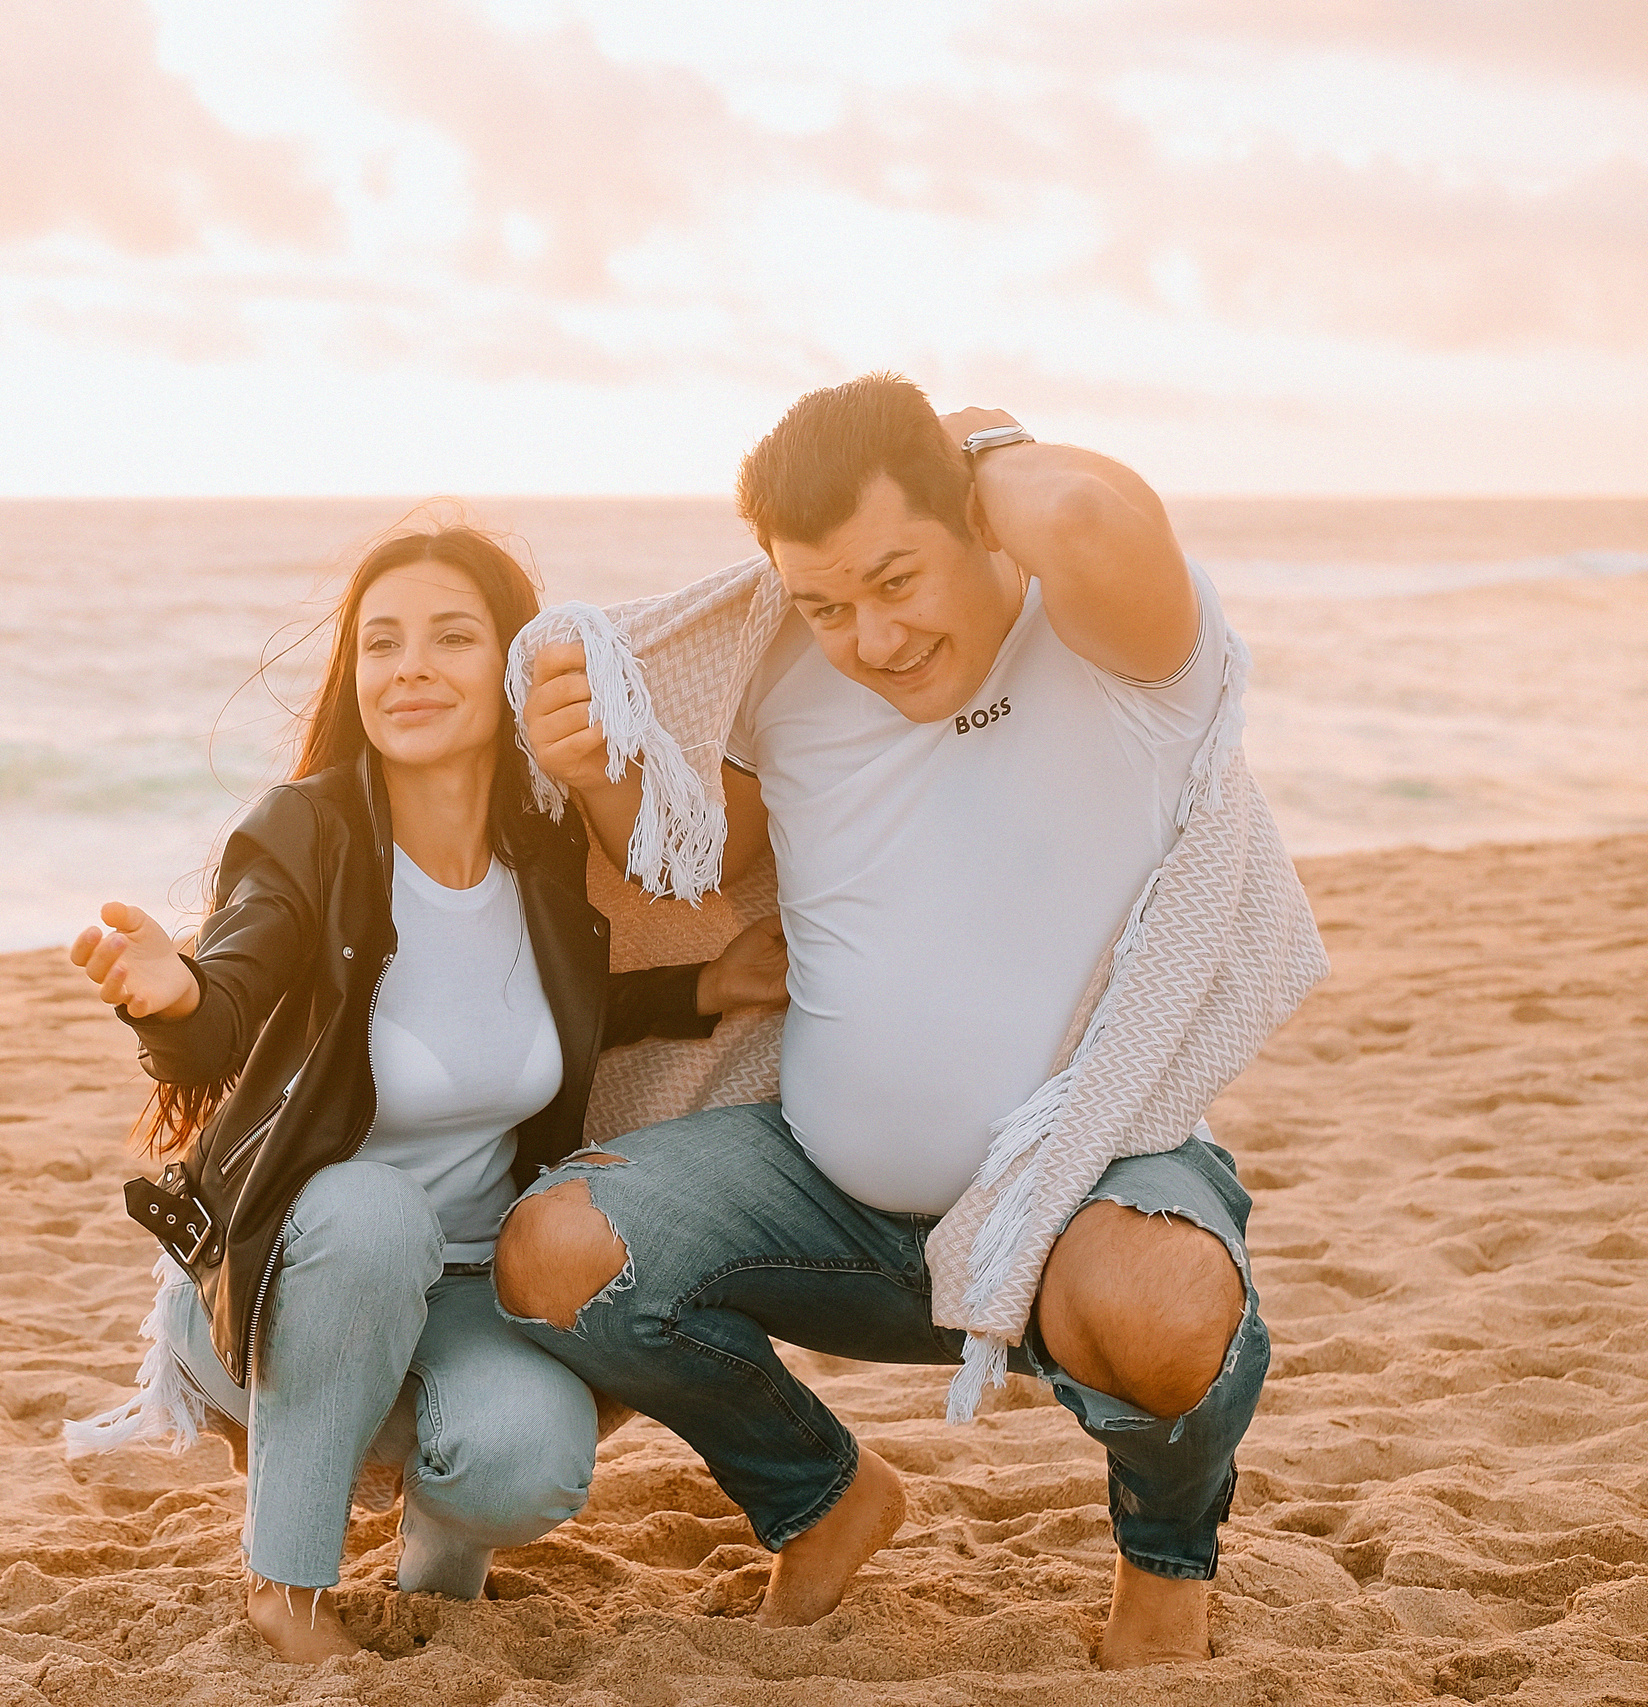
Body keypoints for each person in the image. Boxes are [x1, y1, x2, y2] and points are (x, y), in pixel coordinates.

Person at [503, 375, 1279, 1668]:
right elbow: (685, 864)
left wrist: (973, 438)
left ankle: (1166, 1561)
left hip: (1084, 1199)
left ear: (979, 520)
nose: (867, 635)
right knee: (560, 1250)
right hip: (828, 1205)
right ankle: (824, 1492)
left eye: (896, 577)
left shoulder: (1117, 645)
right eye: (822, 600)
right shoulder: (790, 682)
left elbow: (1084, 512)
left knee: (1157, 1303)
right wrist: (597, 776)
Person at [66, 522, 789, 1663]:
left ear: (507, 666)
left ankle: (436, 1582)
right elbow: (228, 1005)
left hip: (463, 1287)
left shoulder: (541, 854)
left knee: (529, 1465)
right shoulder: (305, 833)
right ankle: (286, 1589)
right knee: (372, 1211)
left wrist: (705, 983)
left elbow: (541, 1017)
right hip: (291, 1278)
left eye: (451, 637)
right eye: (381, 642)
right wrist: (167, 998)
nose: (409, 667)